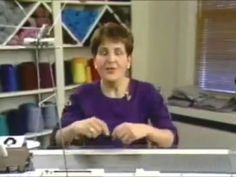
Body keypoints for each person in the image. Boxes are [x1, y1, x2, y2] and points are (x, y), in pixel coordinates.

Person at [52, 22, 178, 148]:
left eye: (118, 52)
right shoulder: (82, 94)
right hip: (94, 166)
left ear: (128, 61)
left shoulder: (147, 92)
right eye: (104, 52)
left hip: (136, 166)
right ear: (95, 61)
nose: (111, 59)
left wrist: (146, 130)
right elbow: (56, 138)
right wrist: (74, 128)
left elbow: (171, 138)